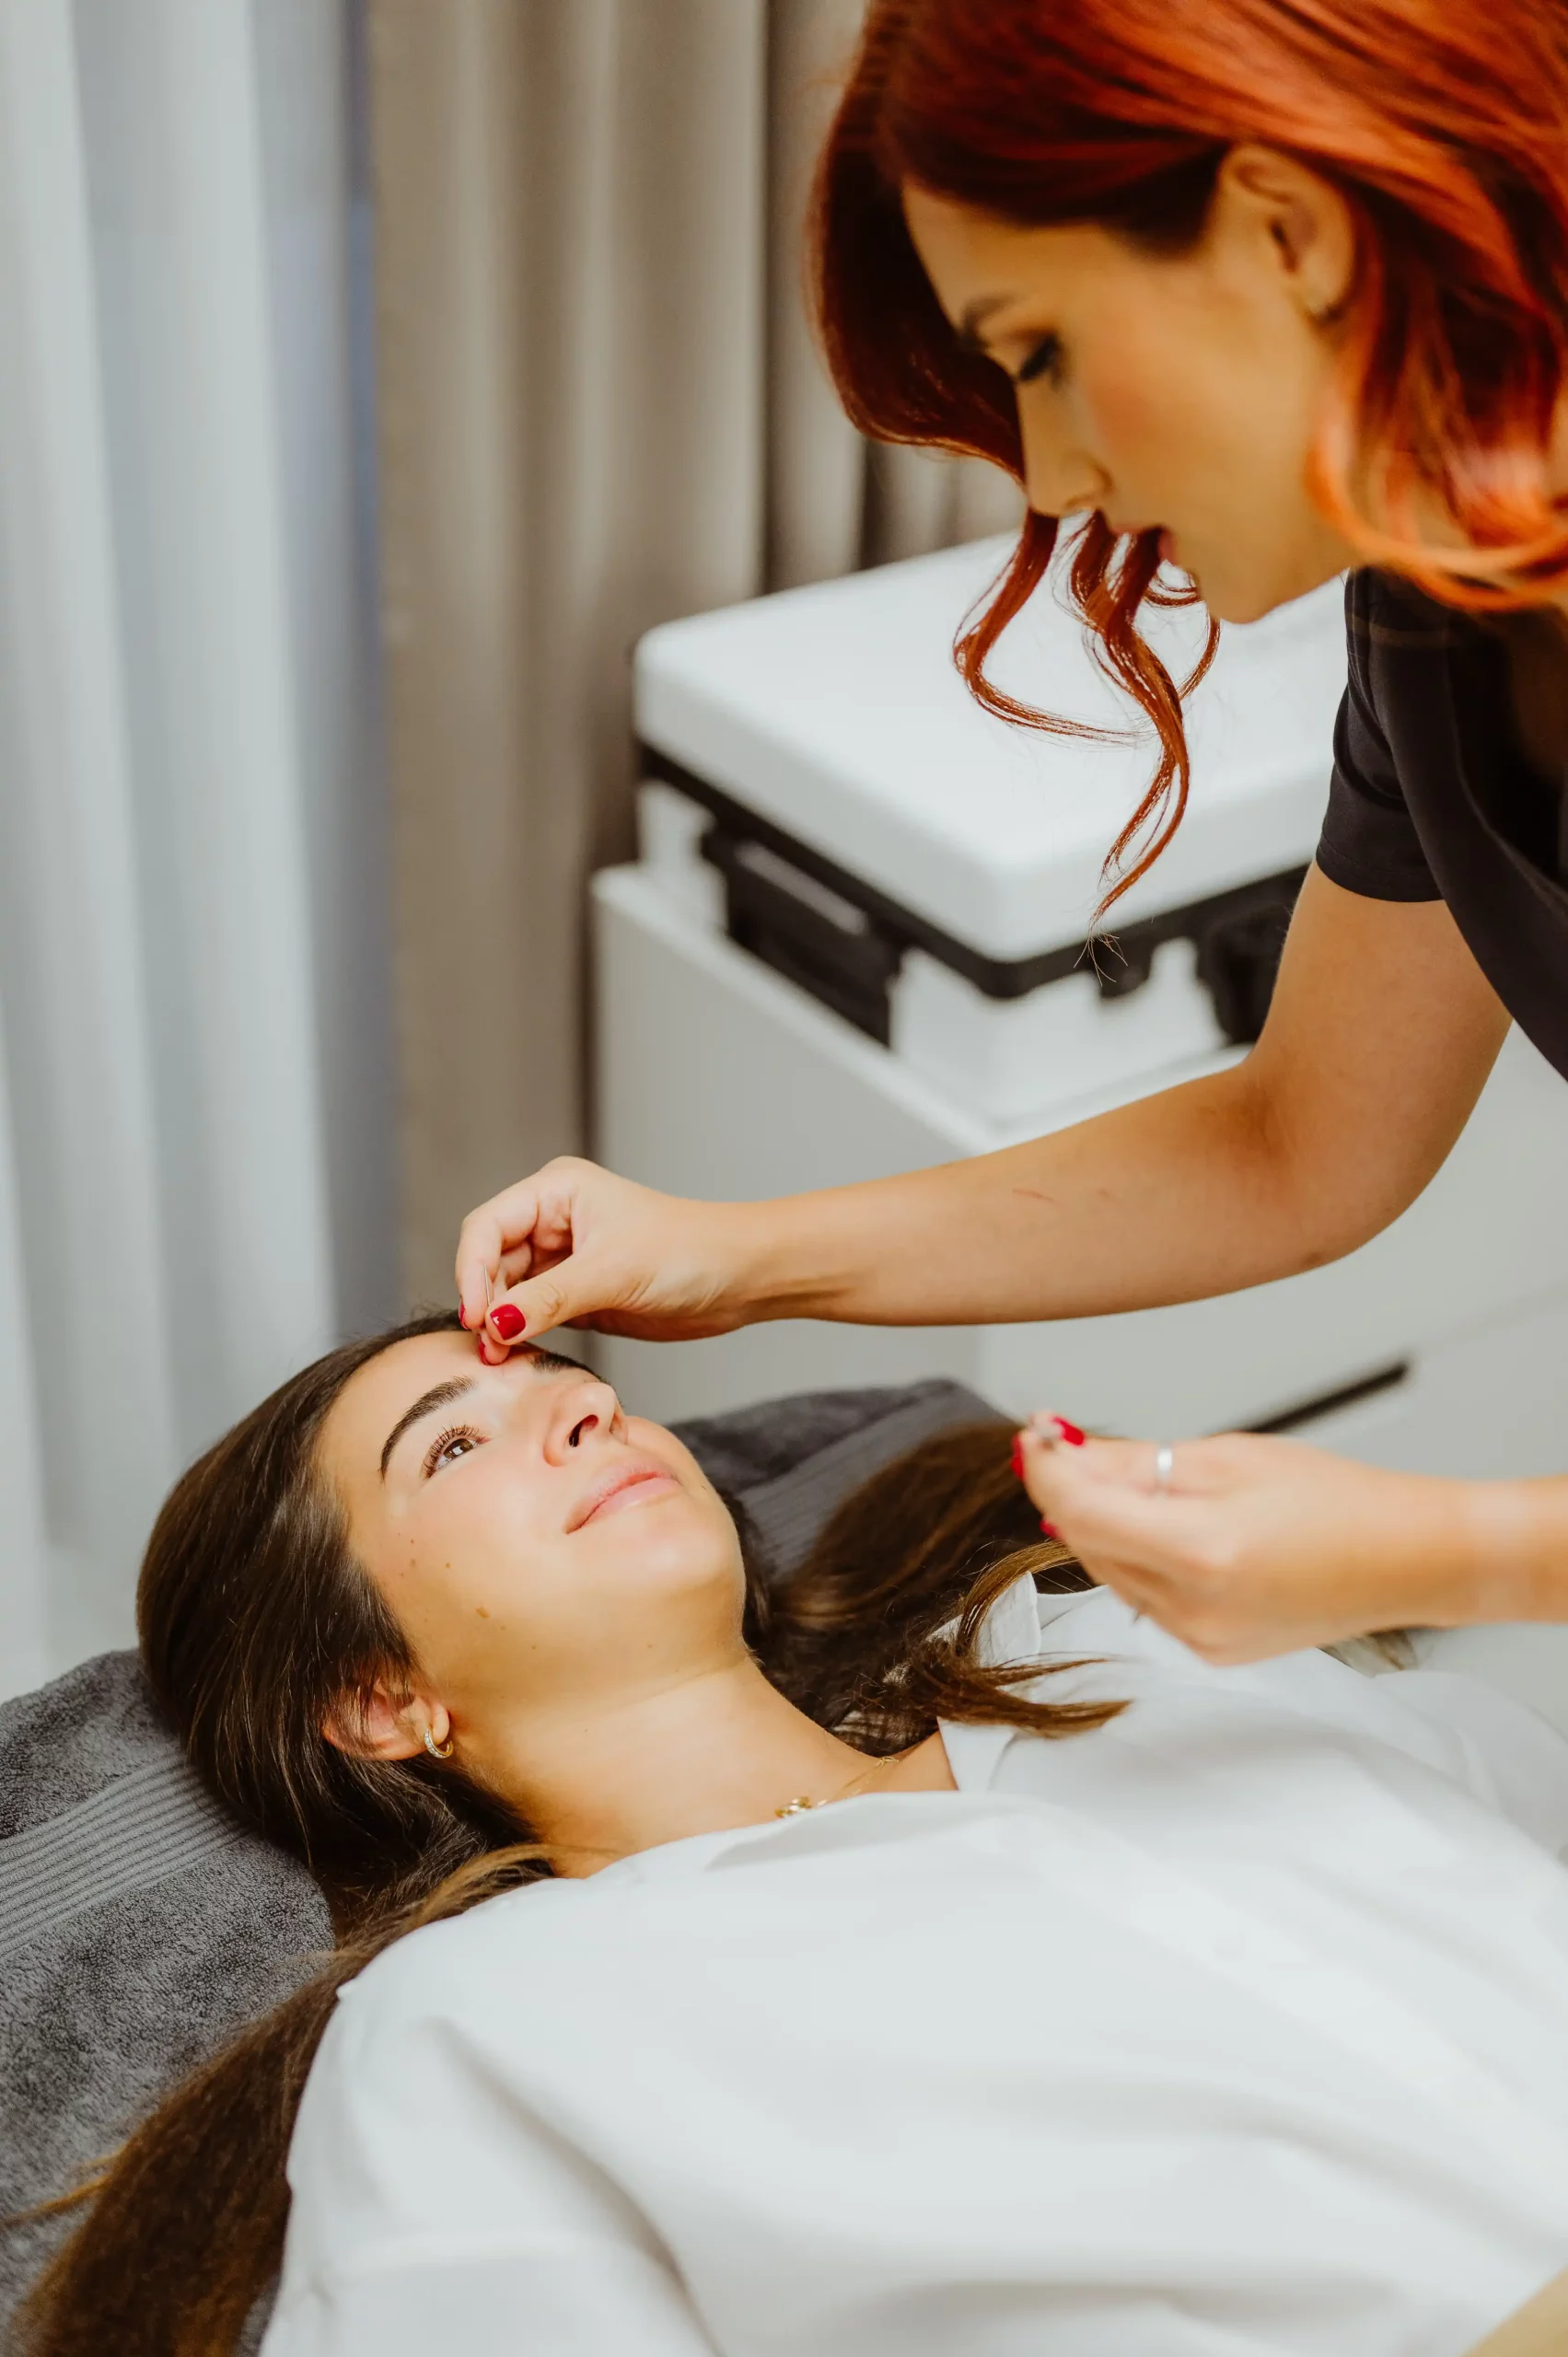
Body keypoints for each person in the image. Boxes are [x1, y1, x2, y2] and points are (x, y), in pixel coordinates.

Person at [454, 0, 1568, 1670]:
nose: (1050, 479)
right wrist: (728, 1257)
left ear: (1289, 230)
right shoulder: (1432, 626)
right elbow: (1296, 1144)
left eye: (1036, 349)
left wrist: (1444, 1553)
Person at [17, 1315, 1568, 2356]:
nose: (580, 1401)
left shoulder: (1119, 1644)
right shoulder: (478, 2028)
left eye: (563, 1379)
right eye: (453, 1446)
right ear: (379, 1699)